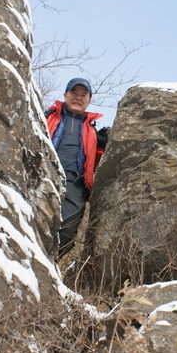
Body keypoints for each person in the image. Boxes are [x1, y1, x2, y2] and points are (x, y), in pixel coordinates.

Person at [45, 77, 109, 256]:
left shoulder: (91, 130)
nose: (78, 97)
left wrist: (102, 146)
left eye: (83, 95)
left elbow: (95, 165)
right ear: (65, 95)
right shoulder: (47, 116)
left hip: (76, 183)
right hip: (45, 173)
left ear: (89, 101)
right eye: (74, 92)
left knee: (66, 231)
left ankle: (48, 266)